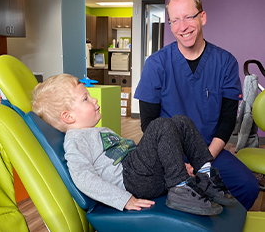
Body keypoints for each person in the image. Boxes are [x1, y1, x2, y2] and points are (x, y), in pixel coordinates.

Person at [31, 73, 236, 215]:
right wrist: (123, 199)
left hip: (143, 174)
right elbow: (83, 178)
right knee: (160, 125)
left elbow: (138, 153)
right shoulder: (75, 140)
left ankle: (205, 174)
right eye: (85, 99)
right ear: (67, 116)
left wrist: (176, 165)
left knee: (180, 121)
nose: (93, 100)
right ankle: (181, 189)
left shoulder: (98, 131)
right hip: (132, 181)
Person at [134, 0, 260, 210]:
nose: (183, 26)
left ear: (202, 17)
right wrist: (177, 163)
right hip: (166, 153)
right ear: (170, 25)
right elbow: (149, 123)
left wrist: (202, 160)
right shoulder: (156, 64)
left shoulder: (225, 62)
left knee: (248, 186)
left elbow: (227, 119)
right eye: (175, 20)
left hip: (209, 150)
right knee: (160, 194)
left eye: (189, 17)